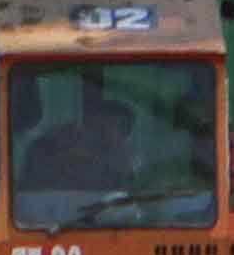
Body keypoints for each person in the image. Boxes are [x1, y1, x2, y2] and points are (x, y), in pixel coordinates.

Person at [13, 74, 139, 213]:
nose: (100, 133)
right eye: (96, 127)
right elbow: (31, 199)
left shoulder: (132, 162)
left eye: (114, 127)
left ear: (125, 135)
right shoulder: (48, 149)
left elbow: (132, 200)